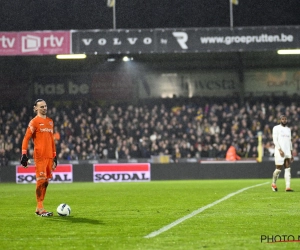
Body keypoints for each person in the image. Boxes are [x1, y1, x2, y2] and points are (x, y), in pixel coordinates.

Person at [20, 99, 57, 216]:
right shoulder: (34, 122)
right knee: (40, 180)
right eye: (41, 107)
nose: (44, 108)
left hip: (49, 156)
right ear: (35, 108)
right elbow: (26, 138)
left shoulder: (50, 122)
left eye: (45, 106)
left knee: (45, 182)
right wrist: (24, 154)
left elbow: (52, 140)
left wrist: (55, 157)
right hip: (40, 156)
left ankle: (39, 208)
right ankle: (40, 208)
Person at [271, 114, 294, 192]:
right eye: (283, 119)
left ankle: (288, 187)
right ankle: (273, 183)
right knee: (278, 169)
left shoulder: (288, 129)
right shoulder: (276, 128)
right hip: (279, 151)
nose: (284, 120)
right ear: (280, 120)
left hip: (287, 151)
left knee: (288, 168)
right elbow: (275, 140)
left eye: (285, 119)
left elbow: (290, 142)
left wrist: (291, 153)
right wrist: (280, 150)